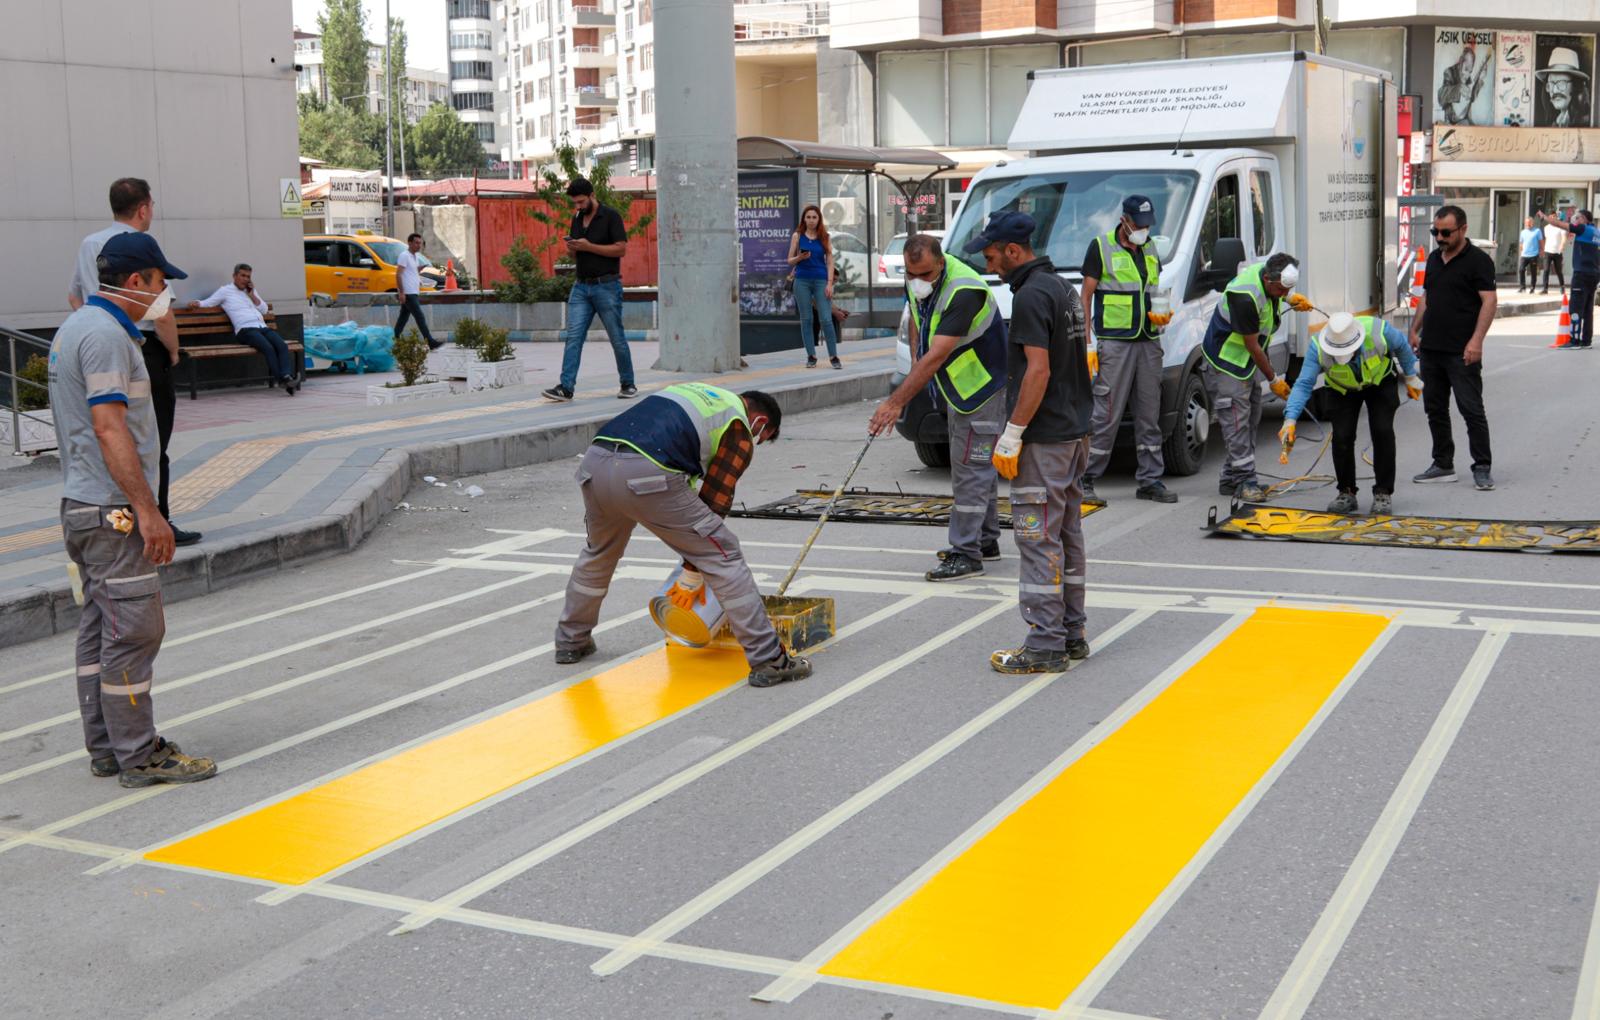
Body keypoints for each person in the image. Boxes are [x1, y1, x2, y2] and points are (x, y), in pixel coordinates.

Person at [49, 232, 217, 787]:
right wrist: (148, 510)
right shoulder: (104, 337)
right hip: (112, 511)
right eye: (159, 280)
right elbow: (108, 426)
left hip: (85, 505)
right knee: (136, 630)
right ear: (134, 281)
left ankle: (107, 746)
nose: (164, 291)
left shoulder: (78, 328)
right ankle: (139, 754)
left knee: (102, 629)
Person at [553, 383, 811, 688]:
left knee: (599, 553)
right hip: (645, 472)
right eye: (762, 438)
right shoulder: (738, 424)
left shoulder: (699, 395)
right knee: (722, 553)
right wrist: (692, 571)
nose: (756, 441)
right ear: (761, 423)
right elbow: (717, 498)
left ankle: (571, 641)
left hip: (595, 464)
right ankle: (770, 660)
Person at [959, 213, 1094, 673]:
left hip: (1044, 438)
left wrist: (1013, 434)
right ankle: (1071, 633)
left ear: (1013, 250)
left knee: (1037, 539)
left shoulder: (1034, 295)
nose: (991, 264)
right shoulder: (1061, 289)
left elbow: (1038, 370)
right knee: (1066, 535)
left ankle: (1044, 645)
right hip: (1073, 433)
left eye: (992, 255)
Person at [66, 178, 200, 547]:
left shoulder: (88, 245)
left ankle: (118, 519)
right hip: (142, 347)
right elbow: (161, 312)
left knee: (110, 430)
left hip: (98, 338)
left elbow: (74, 296)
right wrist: (172, 353)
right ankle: (155, 520)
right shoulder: (143, 251)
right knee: (149, 439)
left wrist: (95, 323)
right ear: (144, 208)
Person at [867, 233, 1008, 581]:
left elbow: (938, 354)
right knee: (977, 464)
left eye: (925, 275)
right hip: (958, 387)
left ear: (941, 263)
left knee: (969, 469)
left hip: (982, 387)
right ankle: (985, 540)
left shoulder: (964, 291)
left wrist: (896, 401)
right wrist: (915, 356)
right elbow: (918, 317)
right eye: (911, 275)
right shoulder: (921, 283)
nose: (917, 282)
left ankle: (966, 553)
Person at [1080, 194, 1176, 505]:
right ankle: (1084, 479)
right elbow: (1085, 296)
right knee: (1105, 415)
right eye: (1138, 224)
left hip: (1148, 341)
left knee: (1149, 415)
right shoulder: (1101, 246)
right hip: (1116, 344)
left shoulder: (1149, 248)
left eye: (1147, 225)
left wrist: (1162, 313)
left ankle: (1150, 480)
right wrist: (1087, 343)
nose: (1143, 230)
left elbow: (1154, 290)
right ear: (1124, 219)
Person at [1280, 313, 1421, 516]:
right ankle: (1346, 492)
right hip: (1341, 389)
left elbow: (1403, 348)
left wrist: (1410, 376)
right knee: (1342, 437)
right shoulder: (1317, 346)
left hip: (1379, 382)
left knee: (1382, 431)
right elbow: (1303, 384)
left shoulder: (1378, 331)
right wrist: (1290, 419)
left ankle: (1383, 492)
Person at [1200, 252, 1312, 502]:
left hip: (1245, 364)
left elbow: (1272, 297)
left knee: (1251, 417)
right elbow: (1252, 345)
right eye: (1282, 290)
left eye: (1288, 290)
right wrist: (1274, 380)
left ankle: (1231, 477)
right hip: (1227, 363)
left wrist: (1291, 298)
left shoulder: (1269, 273)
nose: (1284, 294)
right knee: (1237, 422)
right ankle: (1244, 481)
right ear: (1267, 279)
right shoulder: (1244, 295)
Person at [1409, 205, 1497, 490]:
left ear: (1463, 230)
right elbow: (1427, 296)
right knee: (1435, 409)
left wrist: (1476, 341)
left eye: (1446, 232)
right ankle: (1443, 463)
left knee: (1471, 410)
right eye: (1436, 232)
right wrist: (1414, 329)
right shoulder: (1435, 259)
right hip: (1431, 349)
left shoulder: (1479, 262)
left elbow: (1489, 302)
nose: (1440, 237)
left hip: (1462, 352)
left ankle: (1482, 466)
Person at [542, 176, 638, 402]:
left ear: (593, 196)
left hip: (607, 286)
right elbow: (575, 253)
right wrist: (572, 248)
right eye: (575, 203)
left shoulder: (611, 216)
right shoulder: (577, 218)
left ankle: (628, 384)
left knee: (616, 337)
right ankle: (566, 387)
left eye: (582, 202)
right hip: (581, 287)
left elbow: (620, 249)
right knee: (573, 337)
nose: (578, 207)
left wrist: (589, 246)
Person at [188, 264, 298, 394]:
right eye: (242, 275)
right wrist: (197, 303)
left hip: (262, 327)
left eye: (248, 276)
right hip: (245, 330)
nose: (245, 279)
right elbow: (209, 302)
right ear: (235, 276)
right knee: (268, 348)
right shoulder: (225, 291)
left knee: (281, 345)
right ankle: (283, 381)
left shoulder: (251, 291)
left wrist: (252, 295)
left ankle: (286, 377)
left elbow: (264, 310)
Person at [787, 204, 842, 369]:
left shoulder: (825, 237)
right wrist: (800, 257)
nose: (811, 220)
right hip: (802, 280)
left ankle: (834, 356)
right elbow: (789, 260)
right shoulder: (797, 236)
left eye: (814, 217)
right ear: (804, 218)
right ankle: (811, 355)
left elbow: (830, 261)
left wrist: (830, 283)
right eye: (808, 217)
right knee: (806, 319)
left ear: (819, 219)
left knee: (826, 319)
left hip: (821, 280)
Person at [1542, 207, 1600, 349]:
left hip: (1581, 274)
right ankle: (1586, 341)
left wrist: (1545, 217)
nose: (1575, 219)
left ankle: (1574, 341)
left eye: (1578, 217)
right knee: (1587, 309)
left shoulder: (1582, 229)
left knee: (1575, 307)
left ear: (1584, 219)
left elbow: (1559, 224)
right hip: (1594, 274)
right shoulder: (1596, 232)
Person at [393, 233, 439, 350]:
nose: (419, 245)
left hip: (413, 291)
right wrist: (401, 292)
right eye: (417, 243)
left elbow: (411, 270)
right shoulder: (404, 255)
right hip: (408, 293)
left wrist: (420, 268)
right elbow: (398, 275)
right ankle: (430, 341)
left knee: (403, 318)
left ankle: (394, 339)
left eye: (420, 243)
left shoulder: (415, 257)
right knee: (420, 316)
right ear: (410, 243)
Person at [1537, 46, 1590, 128]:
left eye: (1562, 83)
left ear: (1575, 86)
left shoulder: (1584, 122)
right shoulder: (1559, 119)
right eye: (1551, 84)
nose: (1554, 90)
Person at [1542, 209, 1568, 294]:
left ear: (1556, 217)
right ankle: (1545, 289)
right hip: (1548, 251)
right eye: (1551, 216)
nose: (1553, 217)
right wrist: (1543, 249)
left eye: (1554, 216)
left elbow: (1564, 238)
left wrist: (1562, 246)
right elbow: (1546, 239)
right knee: (1546, 270)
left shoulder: (1561, 227)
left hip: (1557, 252)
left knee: (1558, 271)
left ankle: (1562, 286)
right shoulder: (1546, 228)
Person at [1517, 217, 1543, 293]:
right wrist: (1522, 251)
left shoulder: (1537, 231)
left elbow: (1541, 241)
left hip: (1534, 255)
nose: (1528, 224)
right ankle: (1523, 287)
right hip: (1524, 255)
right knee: (1521, 269)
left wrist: (1542, 250)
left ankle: (1532, 287)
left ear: (1532, 223)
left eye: (1529, 222)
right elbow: (1521, 243)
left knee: (1533, 272)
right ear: (1525, 223)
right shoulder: (1523, 232)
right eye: (1527, 223)